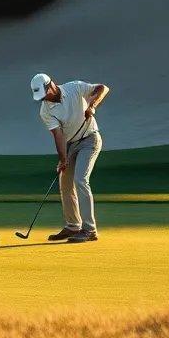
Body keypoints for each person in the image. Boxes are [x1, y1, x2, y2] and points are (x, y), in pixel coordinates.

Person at [30, 73, 109, 243]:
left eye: (45, 94)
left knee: (81, 180)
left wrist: (92, 105)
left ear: (50, 85)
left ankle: (90, 230)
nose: (44, 99)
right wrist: (62, 158)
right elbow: (58, 135)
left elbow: (102, 88)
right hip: (71, 145)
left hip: (90, 139)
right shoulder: (45, 111)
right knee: (65, 183)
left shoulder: (74, 87)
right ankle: (73, 226)